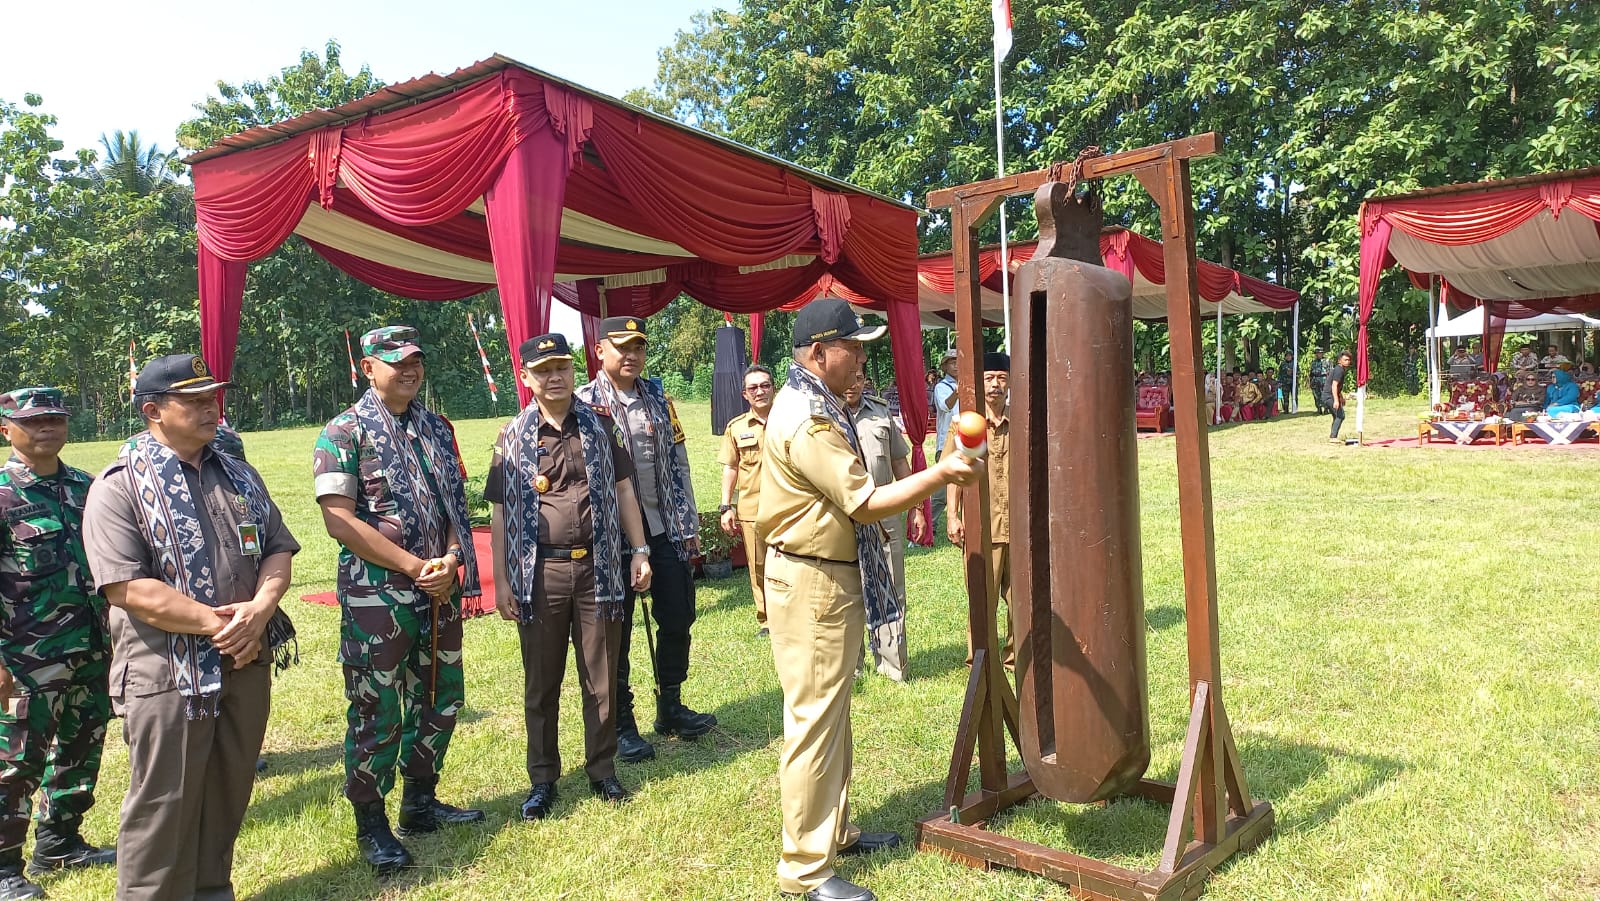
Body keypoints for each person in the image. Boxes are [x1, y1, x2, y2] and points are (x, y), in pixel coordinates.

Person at [757, 298, 980, 901]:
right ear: (816, 353)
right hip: (813, 582)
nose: (862, 355)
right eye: (852, 345)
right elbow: (864, 501)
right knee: (814, 724)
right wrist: (942, 475)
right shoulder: (809, 418)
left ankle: (835, 833)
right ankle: (805, 867)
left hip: (824, 576)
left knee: (831, 716)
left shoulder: (817, 403)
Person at [82, 354, 299, 901]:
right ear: (153, 411)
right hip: (166, 673)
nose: (211, 407)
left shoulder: (237, 472)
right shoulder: (118, 486)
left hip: (245, 661)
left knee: (228, 790)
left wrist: (260, 610)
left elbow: (277, 547)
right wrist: (222, 624)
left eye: (213, 396)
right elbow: (128, 590)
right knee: (164, 806)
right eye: (195, 400)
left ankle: (210, 891)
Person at [313, 326, 483, 875]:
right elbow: (339, 520)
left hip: (440, 591)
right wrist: (414, 566)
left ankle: (420, 801)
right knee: (376, 710)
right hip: (377, 599)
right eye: (395, 362)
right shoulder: (343, 432)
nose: (408, 370)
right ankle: (372, 822)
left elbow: (456, 503)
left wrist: (453, 560)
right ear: (367, 368)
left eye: (415, 361)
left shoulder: (437, 426)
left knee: (439, 696)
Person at [485, 334, 654, 820]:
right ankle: (543, 779)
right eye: (543, 370)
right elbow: (498, 513)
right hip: (541, 573)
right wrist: (502, 579)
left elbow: (625, 489)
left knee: (600, 677)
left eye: (561, 367)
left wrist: (639, 550)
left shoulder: (601, 426)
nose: (554, 376)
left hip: (599, 567)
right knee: (542, 682)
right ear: (526, 379)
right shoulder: (512, 435)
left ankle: (602, 770)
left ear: (573, 371)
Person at [577, 316, 713, 763]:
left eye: (638, 347)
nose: (631, 355)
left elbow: (680, 461)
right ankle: (622, 724)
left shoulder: (657, 397)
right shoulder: (583, 405)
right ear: (600, 352)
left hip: (664, 529)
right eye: (621, 347)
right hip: (609, 540)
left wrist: (689, 525)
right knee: (616, 632)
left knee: (678, 615)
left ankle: (670, 704)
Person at [0, 388, 114, 900]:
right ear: (6, 429)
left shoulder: (86, 488)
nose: (47, 427)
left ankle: (60, 840)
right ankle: (4, 868)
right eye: (33, 420)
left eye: (55, 418)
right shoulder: (2, 494)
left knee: (81, 744)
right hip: (24, 656)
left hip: (91, 645)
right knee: (16, 760)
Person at [842, 371, 922, 682]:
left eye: (859, 377)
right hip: (844, 516)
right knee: (848, 591)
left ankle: (892, 665)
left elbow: (900, 462)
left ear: (865, 382)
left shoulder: (880, 413)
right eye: (847, 377)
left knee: (892, 587)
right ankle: (852, 667)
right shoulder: (824, 414)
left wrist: (916, 507)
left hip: (885, 513)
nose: (852, 384)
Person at [944, 353, 1012, 670]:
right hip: (983, 526)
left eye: (1001, 377)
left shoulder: (1020, 420)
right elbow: (951, 471)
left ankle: (1014, 657)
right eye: (989, 378)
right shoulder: (968, 425)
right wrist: (953, 515)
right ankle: (980, 659)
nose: (996, 385)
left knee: (1021, 600)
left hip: (1017, 526)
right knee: (982, 598)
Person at [719, 366, 776, 637]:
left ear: (773, 388)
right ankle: (766, 620)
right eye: (753, 388)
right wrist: (725, 505)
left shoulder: (788, 421)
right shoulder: (737, 427)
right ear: (745, 394)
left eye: (765, 385)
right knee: (759, 565)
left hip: (791, 506)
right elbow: (731, 467)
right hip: (753, 509)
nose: (760, 391)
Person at [1325, 350, 1352, 443]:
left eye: (1348, 360)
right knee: (1340, 415)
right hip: (1329, 396)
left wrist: (1341, 397)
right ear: (1339, 360)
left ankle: (1332, 436)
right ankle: (1333, 437)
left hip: (1330, 395)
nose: (1347, 361)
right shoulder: (1339, 370)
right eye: (1345, 360)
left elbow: (1338, 387)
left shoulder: (1340, 369)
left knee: (1336, 416)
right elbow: (1334, 385)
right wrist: (1336, 400)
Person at [1308, 350, 1329, 415]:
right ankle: (1319, 408)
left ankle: (1326, 409)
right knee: (1316, 395)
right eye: (1317, 353)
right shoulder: (1313, 362)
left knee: (1325, 394)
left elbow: (1330, 371)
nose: (1319, 355)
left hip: (1324, 379)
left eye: (1320, 353)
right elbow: (1311, 373)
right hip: (1315, 379)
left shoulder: (1327, 361)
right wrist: (1310, 381)